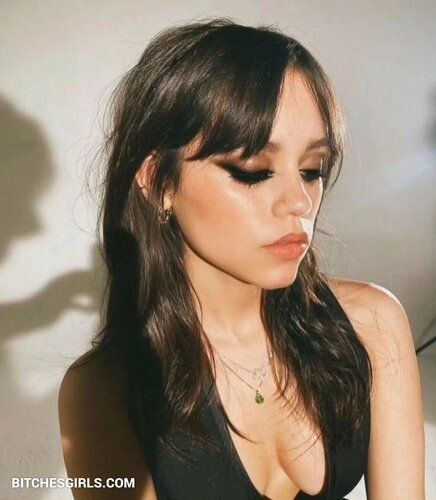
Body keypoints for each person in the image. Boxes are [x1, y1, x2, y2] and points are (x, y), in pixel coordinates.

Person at [58, 18, 425, 500]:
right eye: (252, 171)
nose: (300, 201)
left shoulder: (372, 324)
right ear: (159, 181)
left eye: (311, 169)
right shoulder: (106, 390)